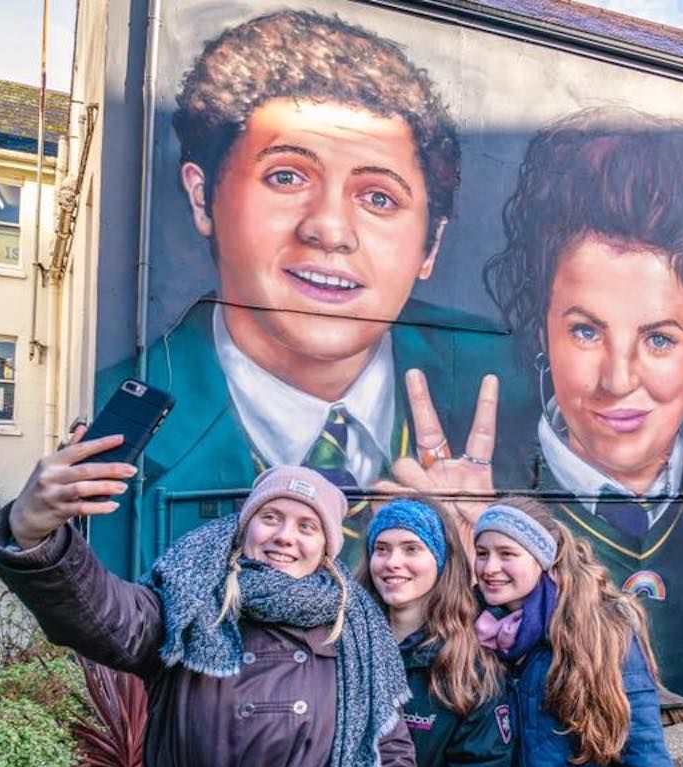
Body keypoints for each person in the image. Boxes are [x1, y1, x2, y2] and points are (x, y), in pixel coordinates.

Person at [93, 9, 532, 575]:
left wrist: (478, 556)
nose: (329, 228)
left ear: (430, 245)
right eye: (286, 176)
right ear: (203, 198)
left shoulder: (524, 388)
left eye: (378, 197)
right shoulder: (124, 421)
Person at [481, 108, 683, 695]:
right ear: (543, 331)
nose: (617, 378)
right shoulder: (483, 489)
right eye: (586, 331)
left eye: (659, 339)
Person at [0, 440, 416, 767]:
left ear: (325, 549)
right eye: (270, 518)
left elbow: (389, 752)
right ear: (244, 528)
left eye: (307, 526)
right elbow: (107, 616)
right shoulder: (188, 598)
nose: (286, 536)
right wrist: (36, 533)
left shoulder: (355, 626)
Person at [471, 498, 673, 767]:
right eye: (482, 553)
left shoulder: (603, 631)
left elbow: (645, 759)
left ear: (541, 559)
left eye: (507, 554)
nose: (489, 568)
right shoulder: (467, 631)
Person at [357, 498, 512, 767]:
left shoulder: (471, 667)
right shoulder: (342, 644)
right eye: (381, 549)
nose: (393, 562)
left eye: (411, 549)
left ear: (440, 560)